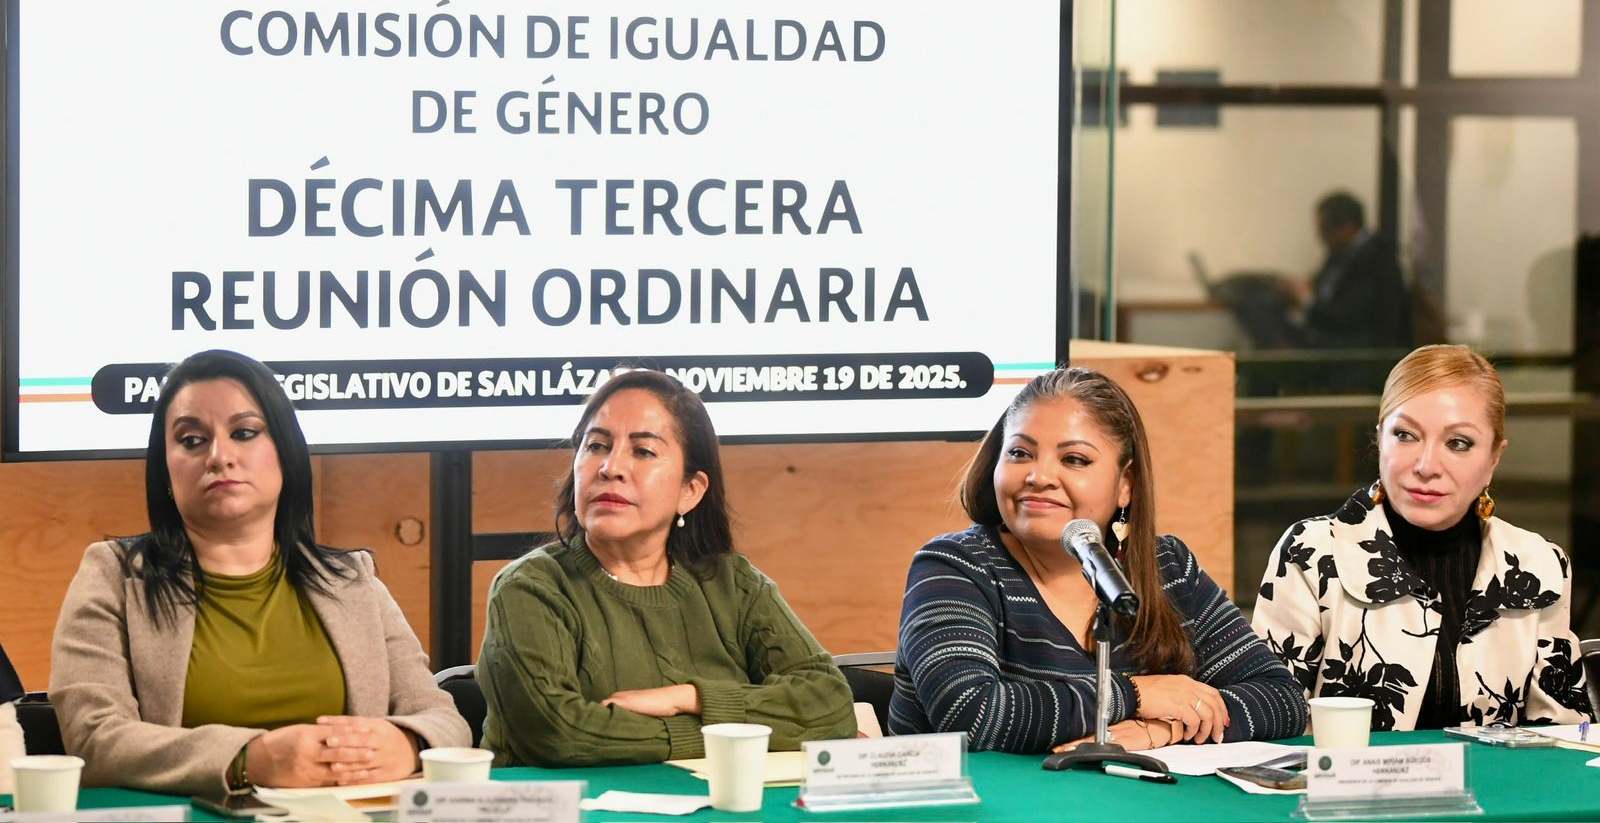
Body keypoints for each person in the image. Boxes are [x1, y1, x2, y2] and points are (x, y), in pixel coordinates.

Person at [49, 350, 469, 799]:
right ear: (165, 470)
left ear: (285, 453)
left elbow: (446, 722)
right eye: (192, 440)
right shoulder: (113, 575)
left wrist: (408, 745)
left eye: (244, 433)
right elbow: (94, 739)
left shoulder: (352, 579)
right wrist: (251, 759)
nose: (219, 456)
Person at [888, 367, 1308, 753]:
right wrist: (1137, 694)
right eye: (1019, 453)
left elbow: (1282, 698)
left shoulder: (1169, 567)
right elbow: (973, 712)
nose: (1039, 476)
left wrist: (1159, 730)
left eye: (1074, 459)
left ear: (1126, 484)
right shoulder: (953, 566)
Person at [477, 368, 856, 766]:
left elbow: (829, 705)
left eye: (643, 451)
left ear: (690, 491)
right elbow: (561, 735)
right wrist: (729, 737)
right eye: (596, 446)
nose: (610, 467)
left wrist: (688, 697)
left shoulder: (733, 584)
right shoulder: (530, 587)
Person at [1253, 344, 1591, 729]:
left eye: (1458, 443)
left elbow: (1566, 736)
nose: (1427, 466)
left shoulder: (1539, 564)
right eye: (1405, 435)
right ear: (1380, 438)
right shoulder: (1311, 552)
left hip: (1499, 773)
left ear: (1494, 459)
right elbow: (1272, 724)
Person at [1279, 190, 1411, 350]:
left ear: (1347, 228)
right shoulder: (1343, 255)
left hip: (1357, 353)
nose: (1321, 238)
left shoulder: (1376, 259)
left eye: (1324, 230)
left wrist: (1305, 299)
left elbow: (1346, 317)